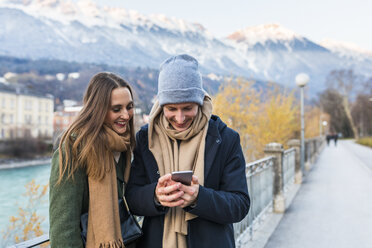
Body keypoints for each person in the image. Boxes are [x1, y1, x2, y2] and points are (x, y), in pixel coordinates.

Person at [126, 54, 250, 248]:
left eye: (187, 108)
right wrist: (156, 196)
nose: (180, 117)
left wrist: (199, 198)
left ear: (200, 102)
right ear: (161, 105)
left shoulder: (226, 139)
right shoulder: (146, 138)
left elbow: (239, 205)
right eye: (171, 108)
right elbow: (131, 198)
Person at [49, 72, 136, 247]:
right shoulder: (73, 150)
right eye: (117, 109)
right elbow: (63, 229)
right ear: (98, 109)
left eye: (129, 107)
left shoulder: (123, 145)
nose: (126, 115)